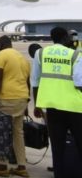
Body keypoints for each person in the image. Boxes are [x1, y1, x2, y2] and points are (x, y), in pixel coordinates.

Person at [32, 27, 82, 178]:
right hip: (75, 108)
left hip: (52, 108)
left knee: (57, 148)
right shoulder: (75, 54)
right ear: (65, 38)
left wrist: (37, 105)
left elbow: (35, 81)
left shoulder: (40, 53)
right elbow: (79, 82)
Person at [0, 35, 31, 177]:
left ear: (0, 44)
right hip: (22, 98)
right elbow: (27, 81)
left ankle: (2, 166)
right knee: (18, 133)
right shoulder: (22, 58)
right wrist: (27, 101)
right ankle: (21, 166)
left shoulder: (1, 55)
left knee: (2, 133)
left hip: (7, 99)